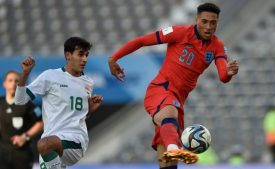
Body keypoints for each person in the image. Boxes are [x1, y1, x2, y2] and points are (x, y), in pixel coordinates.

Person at [108, 2, 239, 169]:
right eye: (204, 21)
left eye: (213, 23)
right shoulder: (179, 32)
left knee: (168, 164)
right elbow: (142, 41)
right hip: (160, 89)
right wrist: (114, 58)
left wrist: (228, 73)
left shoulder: (217, 46)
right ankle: (174, 149)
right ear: (196, 19)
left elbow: (222, 76)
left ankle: (171, 149)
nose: (208, 26)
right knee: (170, 115)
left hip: (178, 100)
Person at [14, 37, 103, 169]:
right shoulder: (50, 76)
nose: (84, 59)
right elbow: (20, 100)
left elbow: (80, 117)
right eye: (80, 54)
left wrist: (90, 108)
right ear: (68, 55)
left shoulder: (88, 82)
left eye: (86, 55)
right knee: (45, 145)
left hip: (75, 139)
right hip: (51, 143)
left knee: (43, 144)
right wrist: (25, 74)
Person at [0, 70, 43, 169]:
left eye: (17, 81)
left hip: (22, 153)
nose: (13, 84)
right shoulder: (0, 103)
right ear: (4, 84)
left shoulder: (28, 104)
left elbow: (41, 122)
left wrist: (25, 136)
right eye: (10, 80)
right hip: (2, 153)